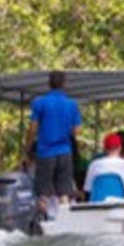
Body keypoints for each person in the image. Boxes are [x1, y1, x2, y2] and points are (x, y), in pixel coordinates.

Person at [26, 71, 81, 220]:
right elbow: (76, 130)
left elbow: (33, 128)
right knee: (64, 192)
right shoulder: (72, 104)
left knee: (42, 192)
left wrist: (28, 145)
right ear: (64, 84)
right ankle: (65, 221)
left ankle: (41, 222)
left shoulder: (40, 102)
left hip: (45, 152)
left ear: (48, 83)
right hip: (65, 152)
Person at [82, 132, 124, 200]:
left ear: (105, 148)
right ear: (120, 147)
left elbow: (87, 190)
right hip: (120, 204)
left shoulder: (94, 165)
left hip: (97, 204)